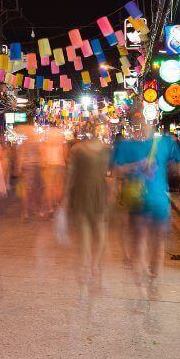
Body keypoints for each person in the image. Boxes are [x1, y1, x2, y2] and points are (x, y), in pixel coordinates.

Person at [112, 109, 180, 298]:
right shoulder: (165, 143)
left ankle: (143, 281)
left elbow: (117, 171)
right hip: (157, 200)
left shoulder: (124, 147)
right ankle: (153, 276)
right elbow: (178, 169)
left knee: (140, 240)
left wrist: (133, 167)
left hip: (138, 200)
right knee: (157, 241)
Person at [65, 122, 112, 287]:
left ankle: (88, 266)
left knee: (87, 232)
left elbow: (70, 175)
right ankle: (92, 264)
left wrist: (65, 199)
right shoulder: (104, 149)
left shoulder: (78, 149)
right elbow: (108, 173)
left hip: (84, 192)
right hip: (96, 192)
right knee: (99, 231)